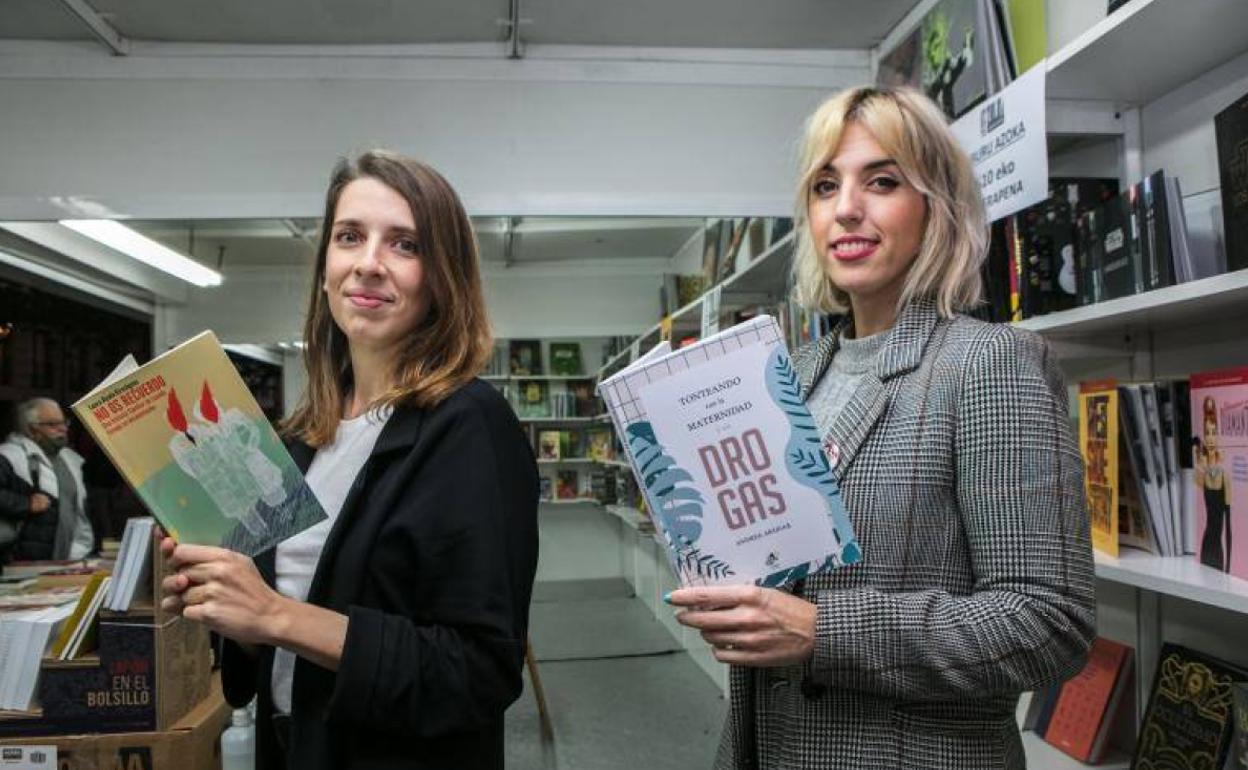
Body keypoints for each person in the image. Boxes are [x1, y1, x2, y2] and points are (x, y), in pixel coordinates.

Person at [668, 86, 1096, 769]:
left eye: (883, 181)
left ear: (937, 204)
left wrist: (821, 630)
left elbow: (1047, 625)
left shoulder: (989, 365)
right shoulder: (790, 374)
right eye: (825, 185)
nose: (845, 209)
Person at [159, 151, 540, 770]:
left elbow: (479, 671)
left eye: (405, 245)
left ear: (444, 275)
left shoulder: (470, 425)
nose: (369, 264)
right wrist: (225, 602)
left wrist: (277, 614)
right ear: (325, 268)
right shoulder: (302, 439)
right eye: (349, 237)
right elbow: (273, 634)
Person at [0, 398, 94, 563]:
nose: (63, 429)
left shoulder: (70, 460)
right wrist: (25, 504)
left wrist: (80, 552)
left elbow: (78, 513)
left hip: (65, 561)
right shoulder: (10, 456)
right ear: (32, 429)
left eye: (64, 422)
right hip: (21, 563)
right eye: (52, 424)